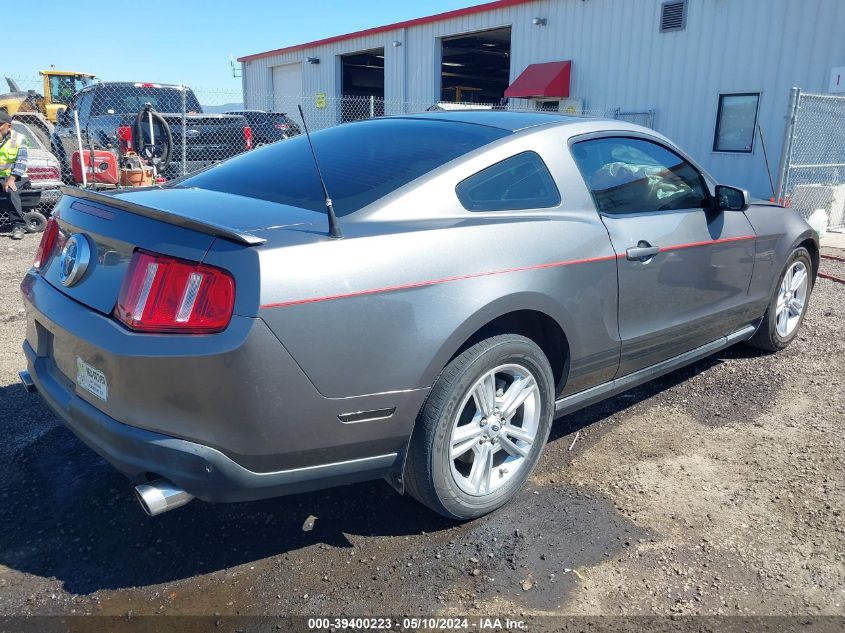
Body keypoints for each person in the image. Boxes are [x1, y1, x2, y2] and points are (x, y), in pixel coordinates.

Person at [0, 111, 30, 240]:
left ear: (9, 126)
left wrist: (11, 179)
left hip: (16, 176)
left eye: (0, 124)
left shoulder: (18, 138)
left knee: (11, 190)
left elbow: (21, 161)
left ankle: (18, 226)